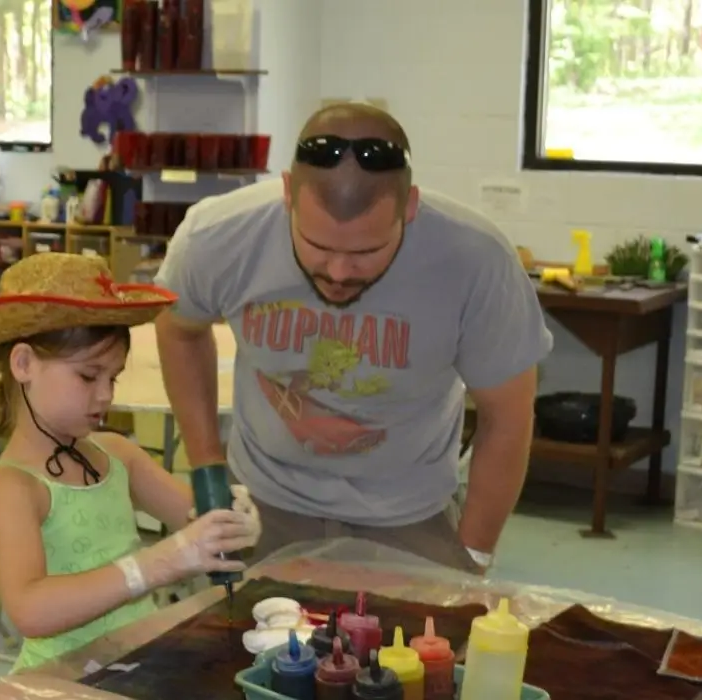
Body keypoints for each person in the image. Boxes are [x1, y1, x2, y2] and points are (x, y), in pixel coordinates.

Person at [152, 102, 551, 573]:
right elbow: (179, 329)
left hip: (408, 512)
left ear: (411, 206)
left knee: (427, 644)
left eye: (367, 251)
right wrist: (207, 469)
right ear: (287, 195)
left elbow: (507, 415)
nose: (339, 272)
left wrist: (474, 553)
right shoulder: (217, 237)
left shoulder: (476, 261)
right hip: (263, 505)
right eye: (318, 246)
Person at [0, 252, 259, 672]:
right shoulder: (15, 486)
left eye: (112, 378)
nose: (105, 396)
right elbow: (29, 610)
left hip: (137, 660)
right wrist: (155, 564)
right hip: (63, 677)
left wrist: (230, 519)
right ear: (23, 364)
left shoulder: (118, 455)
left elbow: (196, 519)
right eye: (87, 376)